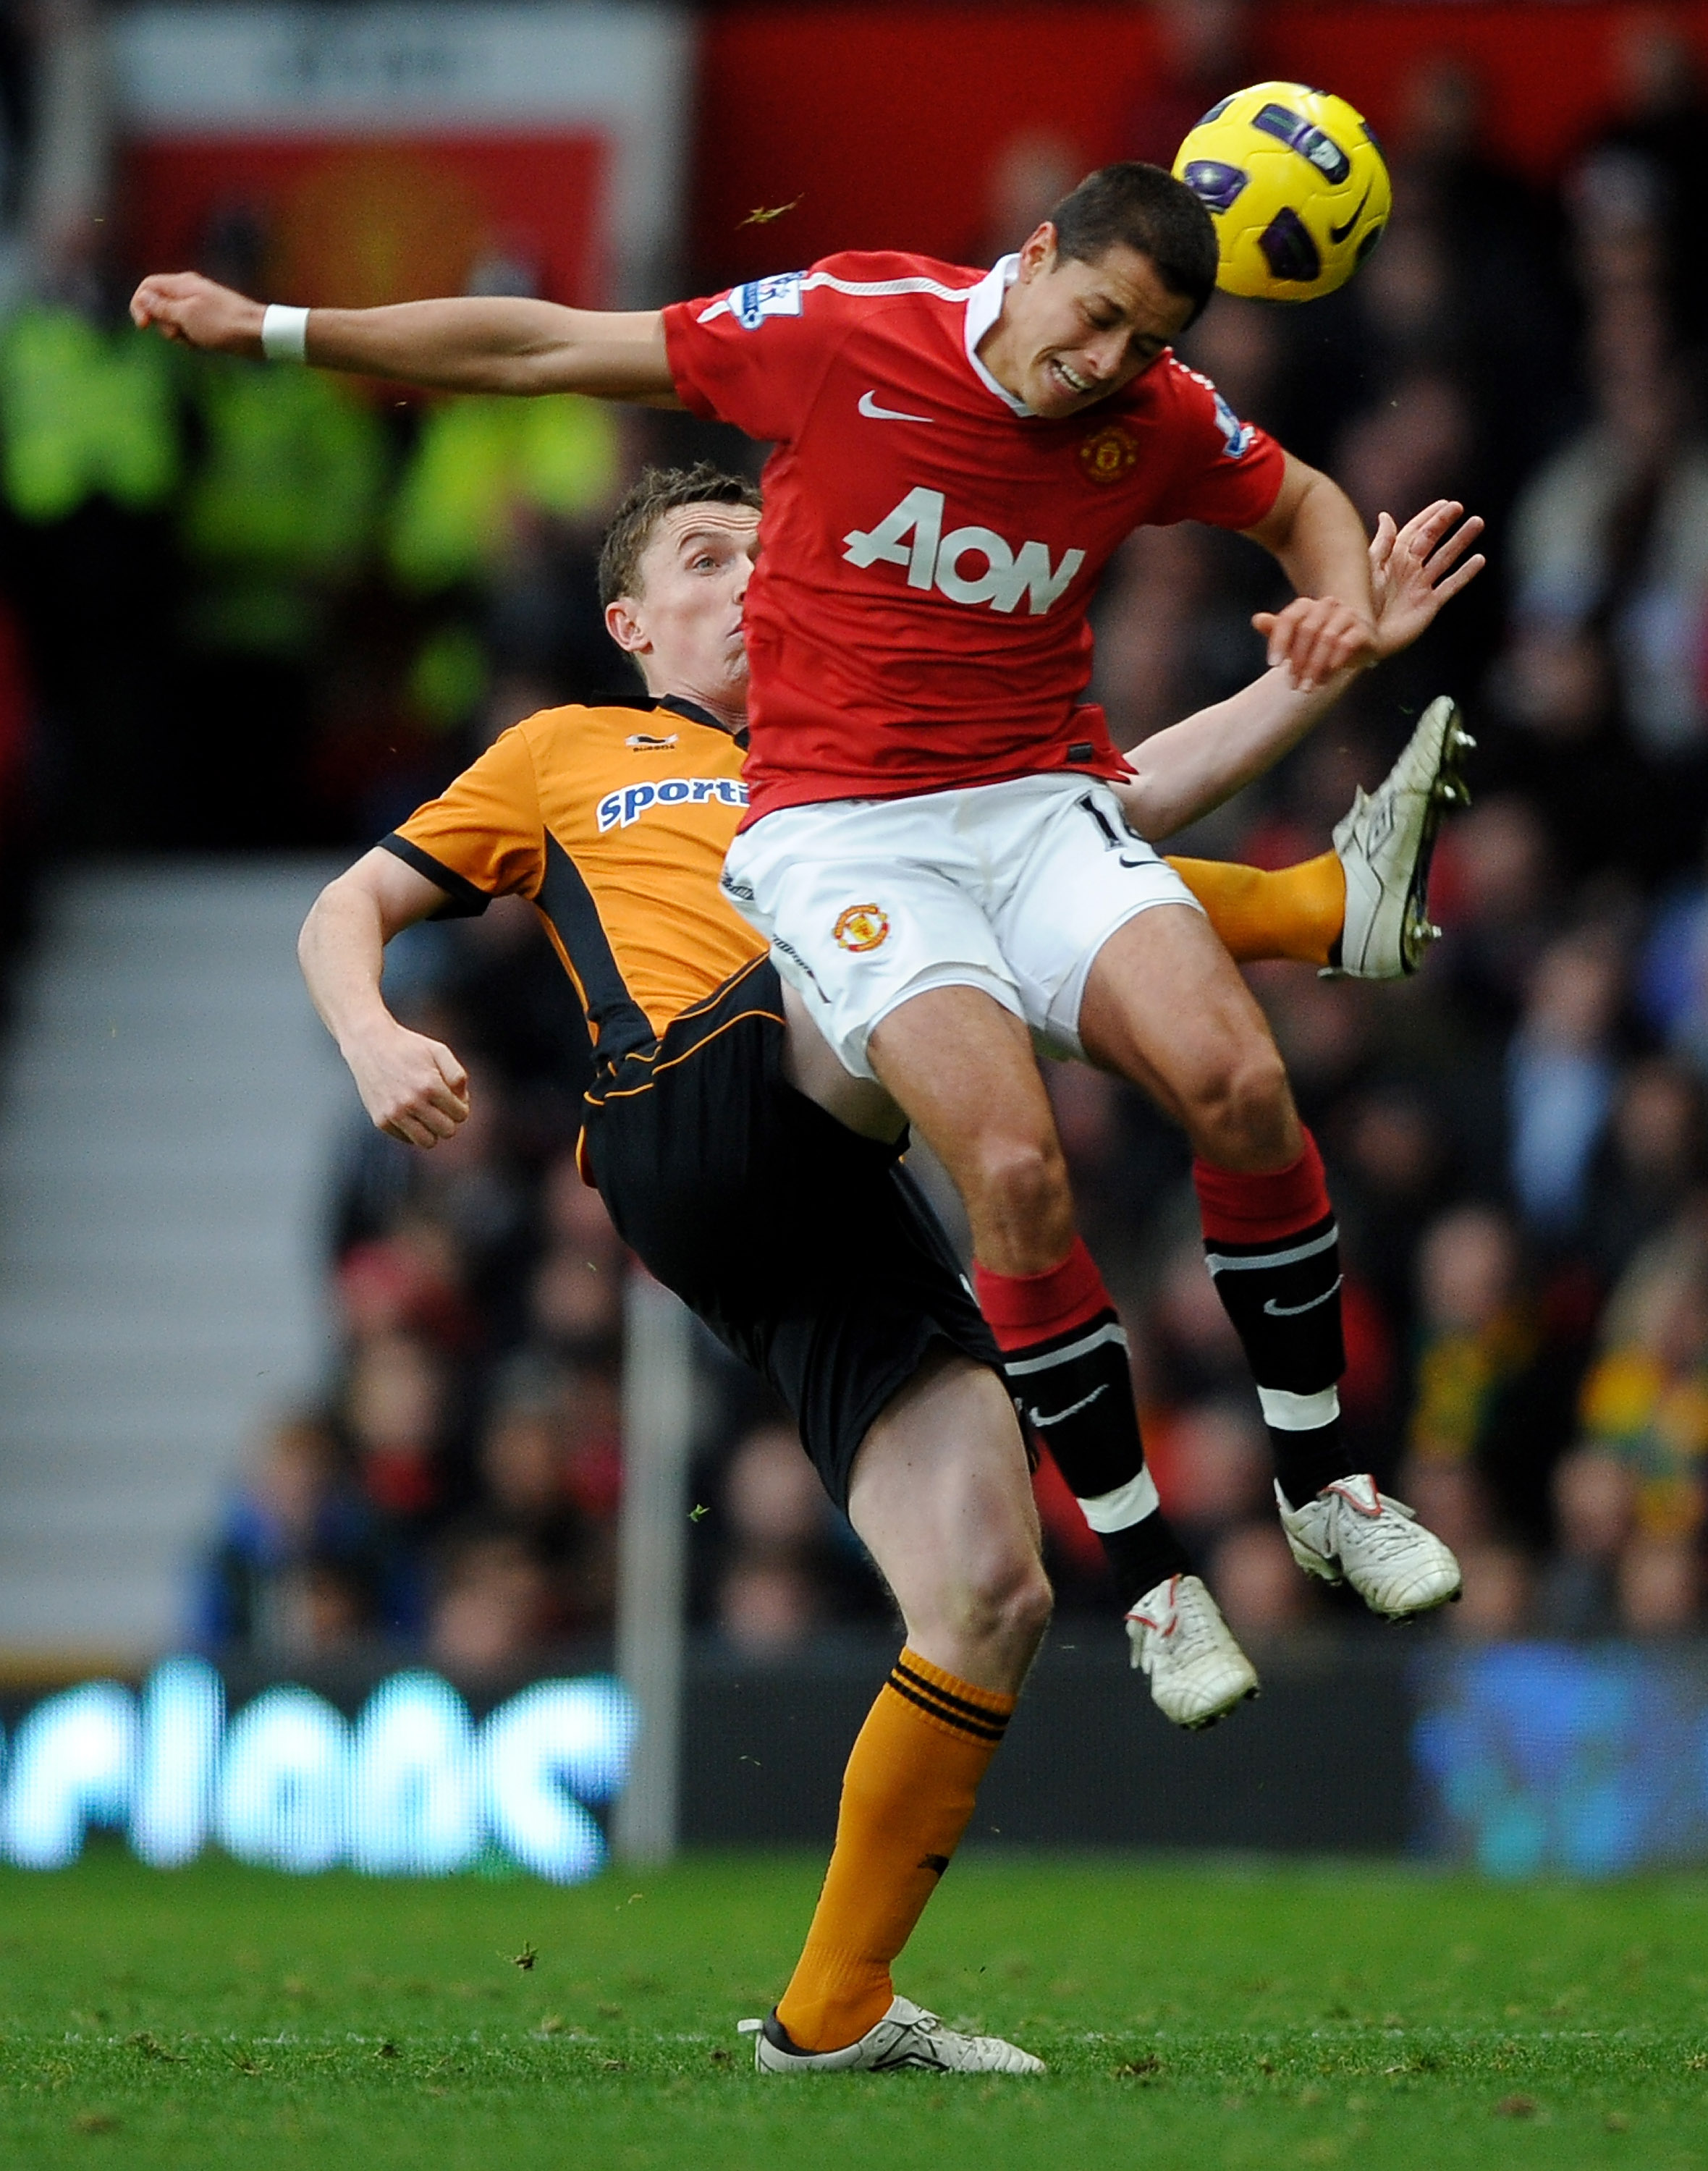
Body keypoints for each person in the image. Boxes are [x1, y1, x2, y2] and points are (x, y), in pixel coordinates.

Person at [135, 164, 1472, 1670]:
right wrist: (281, 332)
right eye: (1093, 319)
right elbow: (544, 348)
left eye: (1141, 345)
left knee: (1227, 1095)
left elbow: (1236, 606)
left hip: (1017, 824)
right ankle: (1158, 1573)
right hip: (803, 924)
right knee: (1015, 1150)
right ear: (1030, 256)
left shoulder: (1141, 418)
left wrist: (1333, 625)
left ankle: (1321, 1484)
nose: (1102, 365)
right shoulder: (830, 347)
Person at [295, 459, 1478, 2075]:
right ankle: (1313, 902)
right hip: (696, 1096)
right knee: (886, 892)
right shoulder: (567, 751)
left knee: (989, 1593)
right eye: (708, 558)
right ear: (633, 624)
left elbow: (1092, 829)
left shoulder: (871, 748)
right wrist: (371, 1036)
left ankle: (831, 2015)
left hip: (831, 1181)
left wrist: (1307, 674)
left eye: (770, 553)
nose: (748, 577)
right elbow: (345, 909)